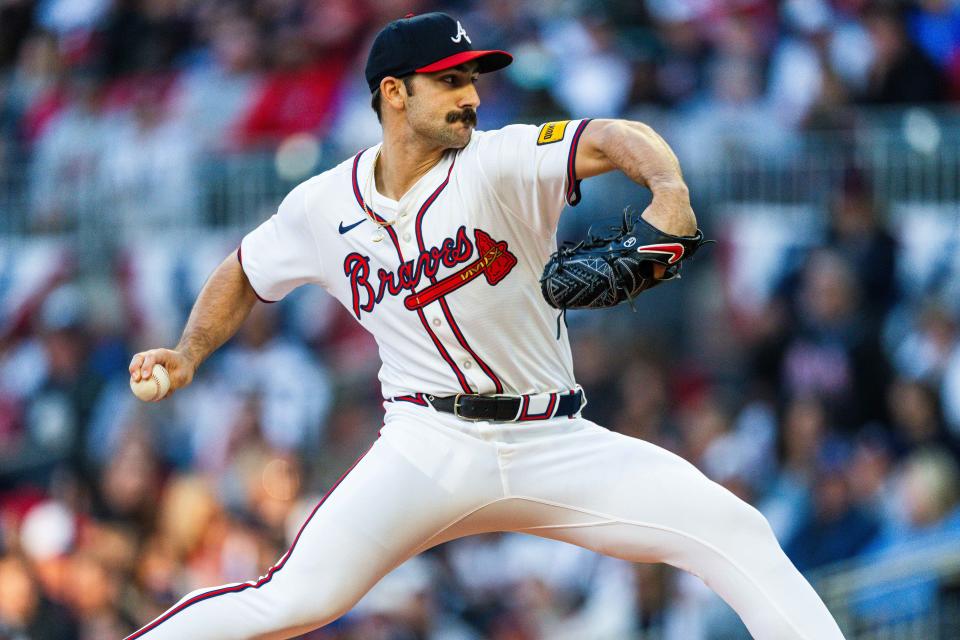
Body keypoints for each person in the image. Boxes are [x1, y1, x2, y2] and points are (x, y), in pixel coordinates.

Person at [125, 13, 845, 640]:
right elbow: (245, 269)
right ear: (394, 92)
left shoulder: (498, 161)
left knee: (736, 532)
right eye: (449, 80)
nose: (471, 95)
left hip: (554, 440)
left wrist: (670, 190)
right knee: (290, 600)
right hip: (425, 445)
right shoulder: (321, 207)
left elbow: (616, 135)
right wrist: (188, 353)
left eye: (473, 77)